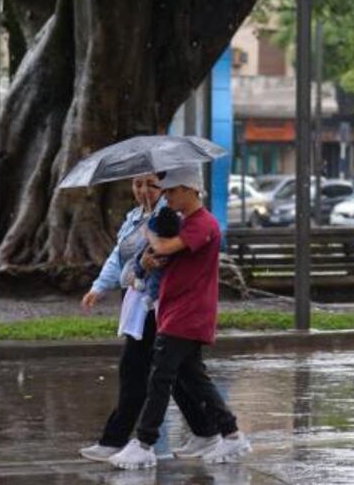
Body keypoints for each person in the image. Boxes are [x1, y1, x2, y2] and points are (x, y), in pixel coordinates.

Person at [79, 174, 226, 463]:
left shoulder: (170, 218)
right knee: (181, 375)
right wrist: (100, 286)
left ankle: (124, 440)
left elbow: (165, 258)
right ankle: (208, 432)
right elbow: (118, 256)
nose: (144, 190)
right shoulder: (136, 216)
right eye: (137, 184)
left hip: (157, 306)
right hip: (140, 302)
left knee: (138, 371)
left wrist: (144, 261)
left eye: (153, 185)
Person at [109, 165, 248, 470]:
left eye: (171, 191)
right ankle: (230, 432)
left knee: (160, 377)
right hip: (173, 310)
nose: (166, 197)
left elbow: (164, 246)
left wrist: (148, 227)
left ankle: (144, 442)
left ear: (190, 189)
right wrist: (147, 256)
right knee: (195, 379)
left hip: (188, 313)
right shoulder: (184, 223)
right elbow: (157, 257)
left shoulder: (203, 223)